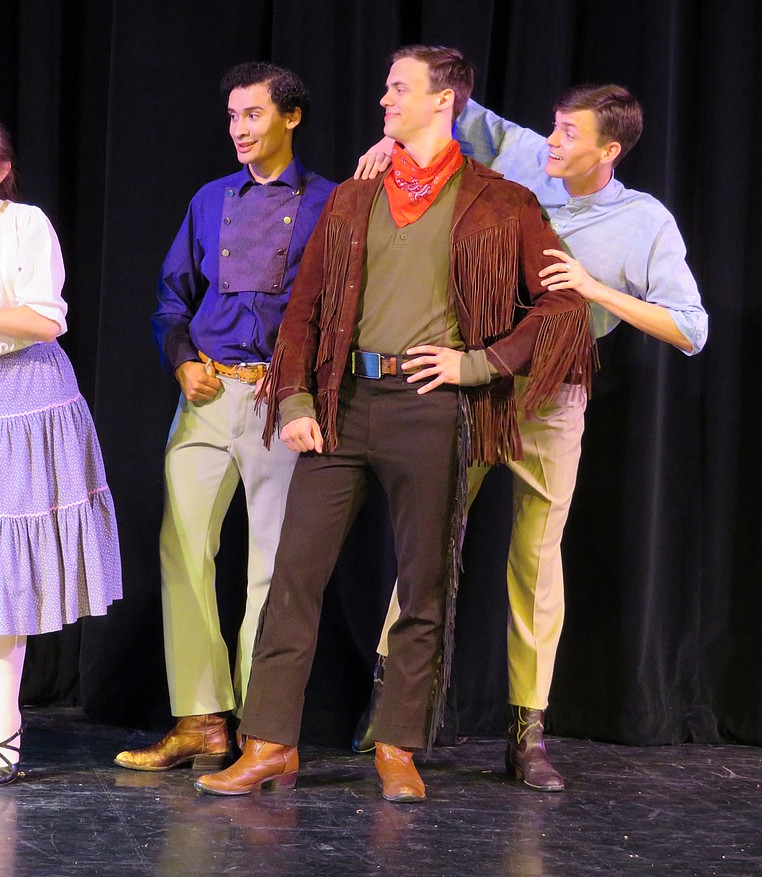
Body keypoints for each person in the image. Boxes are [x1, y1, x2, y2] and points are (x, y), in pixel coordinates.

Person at [194, 45, 593, 803]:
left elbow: (562, 303)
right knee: (294, 579)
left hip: (432, 408)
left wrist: (479, 364)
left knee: (424, 585)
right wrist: (299, 402)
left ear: (443, 102)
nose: (384, 100)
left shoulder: (498, 200)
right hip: (345, 405)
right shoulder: (355, 196)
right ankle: (270, 742)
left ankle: (398, 746)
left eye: (398, 89)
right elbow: (305, 308)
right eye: (385, 88)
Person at [350, 85, 708, 791]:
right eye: (553, 126)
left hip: (554, 391)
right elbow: (447, 103)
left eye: (569, 134)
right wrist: (392, 139)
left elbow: (691, 330)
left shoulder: (643, 222)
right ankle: (391, 711)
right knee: (431, 538)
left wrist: (594, 289)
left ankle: (527, 735)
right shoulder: (522, 155)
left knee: (536, 558)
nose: (552, 141)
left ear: (608, 150)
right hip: (477, 378)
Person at [113, 62, 335, 773]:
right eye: (233, 117)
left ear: (290, 118)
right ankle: (202, 718)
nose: (239, 129)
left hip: (280, 399)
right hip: (207, 394)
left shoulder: (330, 203)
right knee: (183, 547)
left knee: (272, 569)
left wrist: (300, 387)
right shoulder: (210, 200)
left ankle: (262, 730)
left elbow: (337, 312)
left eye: (254, 115)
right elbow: (171, 298)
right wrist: (181, 359)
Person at [0, 113, 121, 787]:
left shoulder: (25, 223)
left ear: (1, 169)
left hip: (30, 398)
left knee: (6, 567)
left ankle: (5, 727)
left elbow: (46, 318)